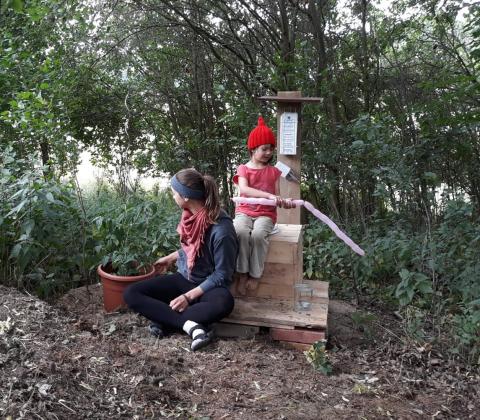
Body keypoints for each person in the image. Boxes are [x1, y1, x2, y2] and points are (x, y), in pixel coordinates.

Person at [124, 168, 238, 351]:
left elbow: (223, 274)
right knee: (131, 293)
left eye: (174, 192)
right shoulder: (191, 217)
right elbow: (192, 249)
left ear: (185, 196)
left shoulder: (222, 231)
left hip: (207, 289)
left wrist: (187, 297)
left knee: (224, 303)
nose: (172, 195)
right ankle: (191, 326)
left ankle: (164, 320)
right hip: (184, 279)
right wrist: (170, 258)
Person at [233, 116, 295, 295]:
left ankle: (255, 274)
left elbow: (276, 195)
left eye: (271, 149)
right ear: (253, 149)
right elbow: (244, 189)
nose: (269, 152)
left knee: (259, 235)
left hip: (265, 214)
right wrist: (269, 195)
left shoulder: (274, 171)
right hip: (244, 211)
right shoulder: (243, 169)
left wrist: (282, 201)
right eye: (264, 149)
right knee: (241, 232)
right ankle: (242, 273)